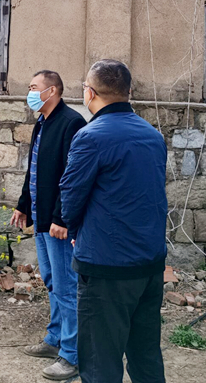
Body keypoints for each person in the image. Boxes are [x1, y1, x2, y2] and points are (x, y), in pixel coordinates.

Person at [60, 59, 167, 383]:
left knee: (100, 362)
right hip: (149, 264)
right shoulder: (153, 136)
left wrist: (76, 231)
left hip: (106, 266)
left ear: (90, 93)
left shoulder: (90, 137)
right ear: (128, 91)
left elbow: (70, 197)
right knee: (146, 356)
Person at [10, 70, 86, 381]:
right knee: (53, 282)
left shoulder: (71, 123)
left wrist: (61, 218)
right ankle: (54, 339)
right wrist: (23, 205)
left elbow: (72, 176)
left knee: (66, 287)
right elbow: (35, 170)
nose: (29, 93)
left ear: (52, 90)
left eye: (33, 87)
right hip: (41, 217)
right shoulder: (42, 123)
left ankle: (72, 355)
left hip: (57, 223)